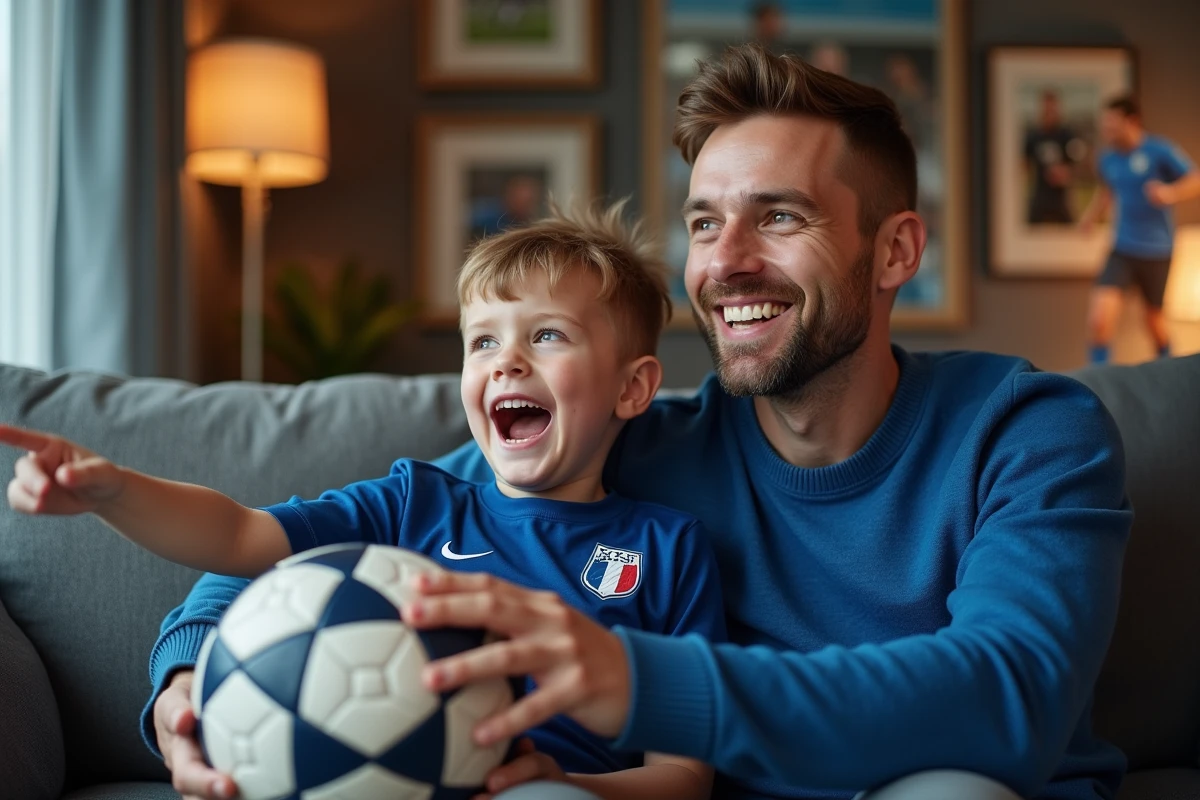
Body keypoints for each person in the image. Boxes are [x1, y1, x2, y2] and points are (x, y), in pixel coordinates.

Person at [148, 43, 1131, 800]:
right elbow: (294, 546)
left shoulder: (1027, 429)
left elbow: (1011, 690)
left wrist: (635, 678)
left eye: (779, 217)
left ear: (895, 250)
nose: (725, 262)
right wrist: (191, 678)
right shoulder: (631, 446)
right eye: (704, 222)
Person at [0, 203, 725, 800]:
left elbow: (684, 775)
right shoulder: (412, 504)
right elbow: (238, 538)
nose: (507, 361)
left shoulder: (668, 548)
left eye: (546, 336)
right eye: (482, 342)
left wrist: (562, 782)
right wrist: (116, 491)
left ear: (633, 387)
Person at [1078, 95, 1200, 363]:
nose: (1107, 130)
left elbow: (1195, 179)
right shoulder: (1108, 158)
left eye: (1112, 124)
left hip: (1157, 250)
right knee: (1099, 320)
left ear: (1131, 121)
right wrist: (1091, 217)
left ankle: (1168, 370)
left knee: (1154, 321)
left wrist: (1170, 193)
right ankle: (1096, 381)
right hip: (1123, 247)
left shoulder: (1160, 151)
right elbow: (1109, 190)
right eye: (1105, 125)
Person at [1023, 89, 1083, 225]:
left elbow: (1076, 162)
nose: (1049, 113)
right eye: (1046, 109)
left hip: (1061, 197)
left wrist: (1064, 172)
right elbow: (1024, 163)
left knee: (1070, 228)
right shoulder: (1033, 136)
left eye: (1052, 109)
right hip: (1040, 193)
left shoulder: (1066, 134)